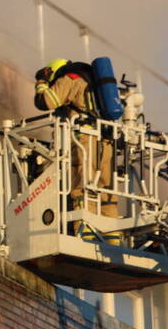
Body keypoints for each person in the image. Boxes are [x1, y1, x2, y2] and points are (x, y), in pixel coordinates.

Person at [34, 58, 118, 222]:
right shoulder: (91, 83)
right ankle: (112, 235)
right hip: (105, 141)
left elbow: (46, 101)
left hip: (84, 141)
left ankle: (84, 227)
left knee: (82, 184)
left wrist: (41, 84)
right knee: (106, 189)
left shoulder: (69, 78)